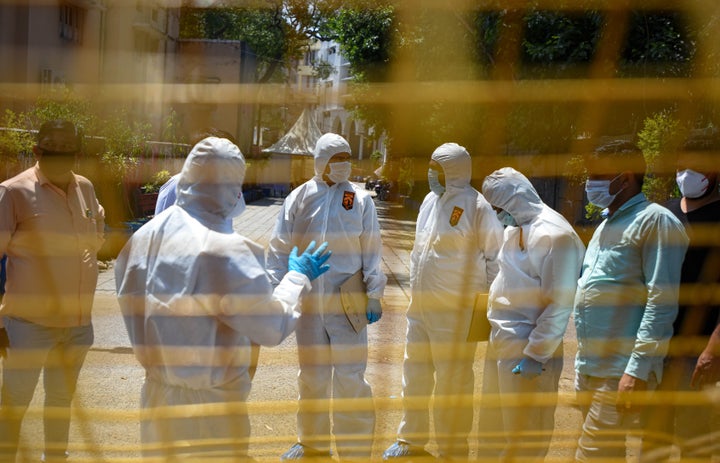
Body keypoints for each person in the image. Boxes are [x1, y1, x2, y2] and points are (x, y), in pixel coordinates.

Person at [115, 136, 332, 459]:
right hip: (211, 412)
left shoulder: (144, 237)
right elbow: (271, 326)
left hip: (157, 400)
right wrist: (297, 276)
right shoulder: (223, 249)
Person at [267, 132, 387, 461]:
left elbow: (372, 247)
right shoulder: (299, 198)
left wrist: (374, 292)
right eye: (336, 159)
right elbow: (279, 247)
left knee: (350, 377)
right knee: (311, 377)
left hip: (347, 301)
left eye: (347, 157)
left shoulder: (360, 200)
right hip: (307, 303)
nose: (343, 165)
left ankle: (355, 449)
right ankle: (312, 443)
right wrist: (277, 290)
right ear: (321, 161)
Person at [383, 143, 503, 460]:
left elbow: (496, 260)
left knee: (454, 384)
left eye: (438, 167)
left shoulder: (478, 207)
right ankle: (411, 438)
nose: (431, 173)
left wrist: (483, 310)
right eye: (431, 165)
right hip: (420, 307)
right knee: (415, 375)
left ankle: (452, 448)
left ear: (454, 171)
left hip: (455, 315)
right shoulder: (428, 201)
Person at [573, 140, 688, 461]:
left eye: (597, 175)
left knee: (592, 456)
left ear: (624, 178)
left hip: (620, 370)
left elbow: (661, 303)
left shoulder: (656, 222)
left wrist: (636, 371)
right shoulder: (608, 223)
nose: (589, 183)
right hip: (589, 367)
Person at [0, 120, 105, 462]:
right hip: (29, 325)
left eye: (67, 153)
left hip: (77, 325)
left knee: (60, 401)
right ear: (37, 152)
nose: (60, 160)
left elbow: (96, 226)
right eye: (52, 153)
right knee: (15, 404)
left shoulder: (85, 188)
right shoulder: (13, 192)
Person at [478, 167, 585, 461]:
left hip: (529, 348)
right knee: (494, 426)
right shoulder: (516, 228)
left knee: (525, 433)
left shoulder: (554, 235)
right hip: (502, 340)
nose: (498, 215)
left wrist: (536, 354)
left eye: (500, 208)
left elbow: (560, 303)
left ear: (514, 200)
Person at [641, 130, 720, 460]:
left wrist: (713, 350)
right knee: (652, 439)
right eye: (680, 166)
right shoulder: (664, 212)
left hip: (698, 351)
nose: (684, 174)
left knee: (695, 443)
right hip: (658, 347)